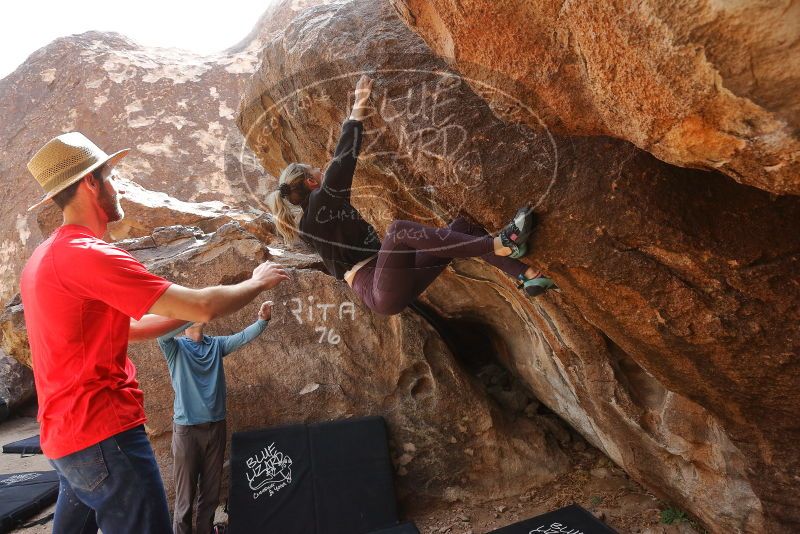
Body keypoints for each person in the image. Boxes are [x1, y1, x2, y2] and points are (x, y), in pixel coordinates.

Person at [20, 132, 289, 534]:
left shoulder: (44, 257)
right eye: (111, 178)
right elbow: (202, 306)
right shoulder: (91, 256)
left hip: (66, 440)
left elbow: (127, 329)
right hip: (105, 435)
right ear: (91, 183)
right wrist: (255, 283)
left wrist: (189, 314)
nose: (118, 189)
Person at [266, 75, 557, 316]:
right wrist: (359, 103)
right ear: (311, 182)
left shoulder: (311, 220)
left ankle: (528, 276)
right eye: (315, 170)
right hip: (377, 287)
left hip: (392, 279)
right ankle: (501, 244)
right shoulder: (321, 203)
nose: (321, 169)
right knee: (398, 230)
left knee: (463, 229)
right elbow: (344, 156)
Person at [158, 302, 273, 534]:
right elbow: (161, 334)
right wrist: (187, 313)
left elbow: (242, 337)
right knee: (184, 501)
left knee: (210, 496)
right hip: (187, 432)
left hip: (215, 428)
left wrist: (262, 320)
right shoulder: (175, 348)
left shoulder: (215, 345)